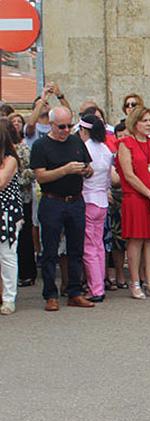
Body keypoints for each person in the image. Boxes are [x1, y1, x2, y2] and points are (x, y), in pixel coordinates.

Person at [30, 106, 96, 311]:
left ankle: (74, 291)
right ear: (51, 125)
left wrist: (85, 170)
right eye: (61, 127)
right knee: (50, 250)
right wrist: (65, 170)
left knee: (76, 248)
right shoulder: (41, 146)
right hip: (52, 201)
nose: (66, 130)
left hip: (75, 200)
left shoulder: (76, 141)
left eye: (69, 125)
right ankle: (50, 294)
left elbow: (90, 168)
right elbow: (40, 176)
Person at [117, 105, 150, 300]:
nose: (148, 124)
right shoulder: (125, 144)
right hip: (137, 198)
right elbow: (129, 175)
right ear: (135, 123)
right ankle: (135, 281)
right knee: (136, 240)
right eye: (144, 121)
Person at [78, 114, 115, 303]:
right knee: (99, 245)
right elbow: (109, 179)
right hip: (102, 200)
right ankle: (99, 283)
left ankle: (96, 289)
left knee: (89, 248)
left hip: (88, 199)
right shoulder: (106, 150)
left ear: (85, 131)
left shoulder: (84, 149)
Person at [8, 113, 37, 287]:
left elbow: (31, 171)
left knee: (24, 237)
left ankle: (27, 272)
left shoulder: (23, 149)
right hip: (8, 198)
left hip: (22, 197)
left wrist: (14, 180)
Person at [0, 120, 23, 315]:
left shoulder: (10, 160)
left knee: (6, 255)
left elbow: (1, 182)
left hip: (6, 213)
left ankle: (9, 298)